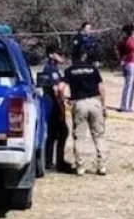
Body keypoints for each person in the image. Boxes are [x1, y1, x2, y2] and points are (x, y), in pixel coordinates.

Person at [64, 44, 107, 176]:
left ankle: (80, 167)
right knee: (98, 136)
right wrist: (103, 105)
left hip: (79, 103)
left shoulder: (69, 70)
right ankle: (102, 166)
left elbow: (61, 87)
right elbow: (101, 89)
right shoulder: (93, 69)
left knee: (79, 137)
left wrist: (65, 99)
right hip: (94, 102)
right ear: (84, 55)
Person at [42, 45, 72, 173]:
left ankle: (52, 161)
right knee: (59, 132)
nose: (62, 56)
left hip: (54, 102)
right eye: (58, 54)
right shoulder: (50, 69)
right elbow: (55, 89)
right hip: (53, 104)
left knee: (56, 133)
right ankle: (54, 162)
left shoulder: (54, 68)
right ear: (51, 55)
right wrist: (61, 101)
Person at [116, 23, 134, 112]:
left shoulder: (130, 39)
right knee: (128, 85)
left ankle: (128, 105)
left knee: (132, 85)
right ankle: (124, 106)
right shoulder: (130, 39)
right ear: (132, 31)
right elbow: (131, 48)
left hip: (132, 62)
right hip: (129, 63)